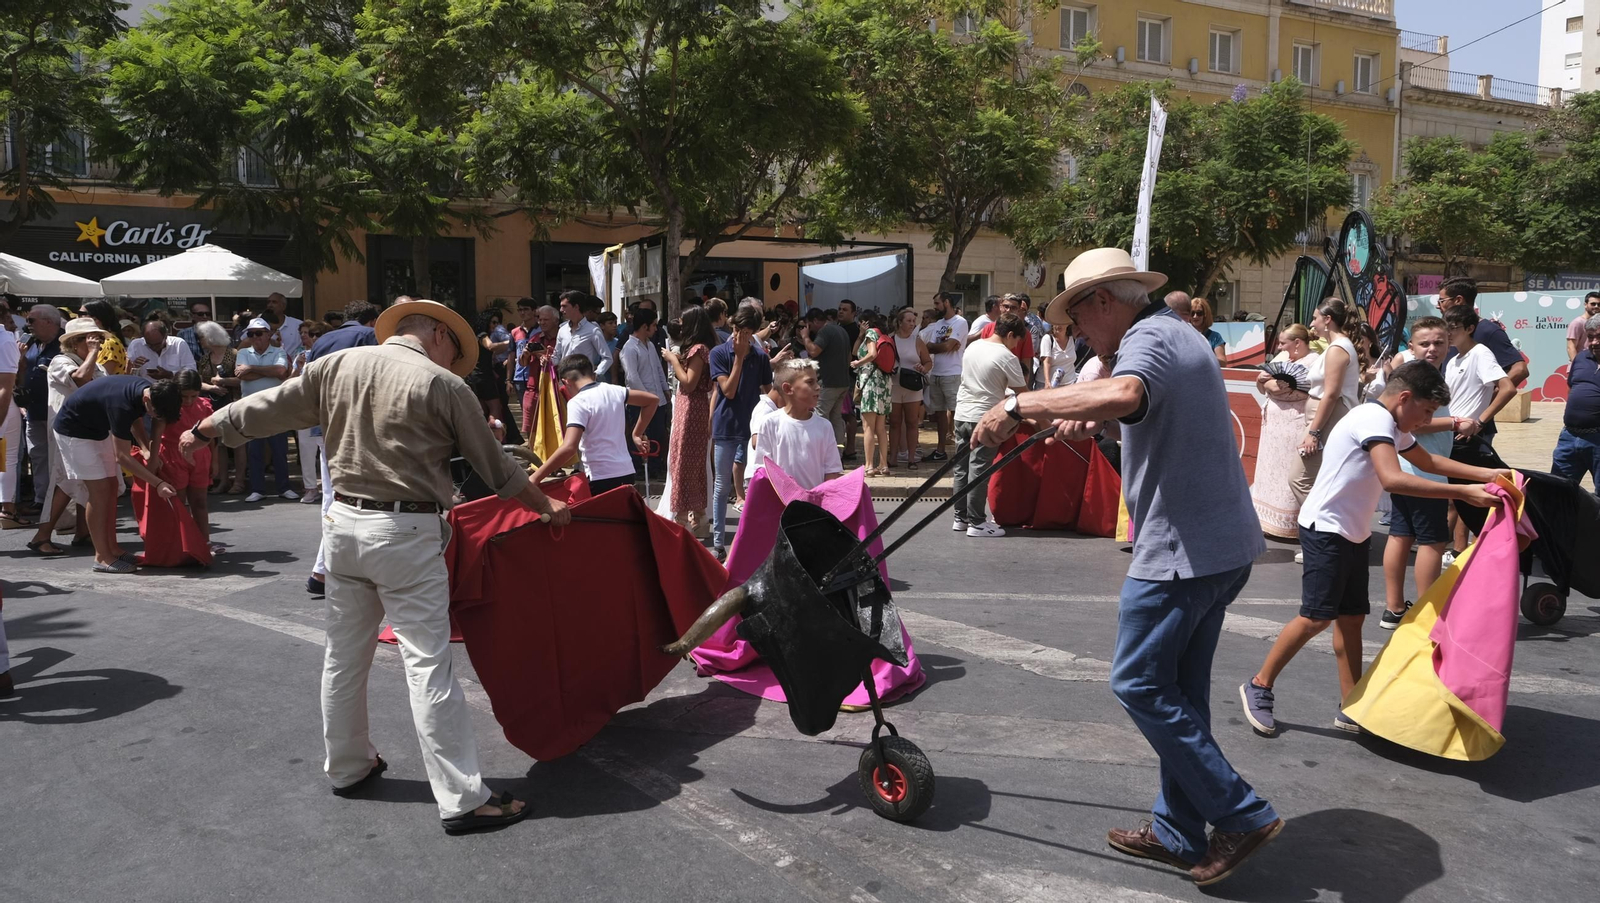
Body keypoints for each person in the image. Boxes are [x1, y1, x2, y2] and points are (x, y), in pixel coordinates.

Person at [181, 298, 568, 834]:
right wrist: (545, 505)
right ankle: (462, 799)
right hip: (406, 532)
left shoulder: (336, 365)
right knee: (427, 664)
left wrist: (207, 428)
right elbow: (497, 468)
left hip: (343, 527)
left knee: (344, 657)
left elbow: (270, 406)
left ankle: (348, 766)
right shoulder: (443, 384)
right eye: (453, 351)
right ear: (438, 334)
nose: (453, 362)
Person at [970, 247, 1280, 885]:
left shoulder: (1147, 339)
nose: (1078, 332)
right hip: (1218, 546)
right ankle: (1177, 829)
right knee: (1181, 695)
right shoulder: (1177, 333)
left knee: (1138, 683)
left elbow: (1129, 391)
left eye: (1078, 318)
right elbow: (1147, 412)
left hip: (1181, 551)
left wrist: (1023, 405)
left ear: (1105, 301)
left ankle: (1240, 812)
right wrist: (1097, 424)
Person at [1241, 361, 1505, 738]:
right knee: (1316, 618)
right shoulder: (1373, 419)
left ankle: (1351, 704)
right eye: (1427, 411)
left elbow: (1427, 461)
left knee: (1351, 619)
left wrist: (1490, 475)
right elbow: (1393, 479)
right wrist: (1464, 492)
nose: (1427, 421)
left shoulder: (1392, 424)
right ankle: (1259, 684)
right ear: (1405, 398)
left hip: (1352, 533)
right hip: (1325, 530)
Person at [53, 375, 183, 572]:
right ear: (147, 400)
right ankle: (101, 557)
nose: (157, 418)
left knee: (112, 486)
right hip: (73, 431)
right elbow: (122, 457)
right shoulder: (121, 405)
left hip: (96, 429)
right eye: (156, 413)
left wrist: (149, 452)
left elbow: (141, 419)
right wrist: (158, 483)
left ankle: (112, 548)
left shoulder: (153, 393)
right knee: (99, 491)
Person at [302, 300, 381, 597]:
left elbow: (308, 383)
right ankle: (325, 571)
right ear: (372, 321)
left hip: (325, 423)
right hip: (354, 426)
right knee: (350, 498)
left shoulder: (322, 341)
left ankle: (325, 571)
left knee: (332, 496)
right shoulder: (369, 336)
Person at [1379, 318, 1454, 630]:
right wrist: (1455, 422)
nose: (1432, 349)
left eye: (1439, 343)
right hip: (1421, 473)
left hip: (1409, 470)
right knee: (1432, 541)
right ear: (1411, 346)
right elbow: (1415, 425)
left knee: (1400, 535)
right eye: (1425, 343)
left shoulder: (1421, 376)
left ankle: (1394, 608)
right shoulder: (1415, 381)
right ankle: (1426, 614)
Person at [25, 317, 106, 554]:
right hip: (67, 433)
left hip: (89, 430)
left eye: (98, 340)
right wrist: (93, 353)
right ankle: (41, 536)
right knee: (64, 481)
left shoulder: (96, 365)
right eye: (93, 339)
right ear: (76, 342)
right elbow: (80, 379)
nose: (98, 344)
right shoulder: (61, 361)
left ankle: (83, 531)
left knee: (86, 480)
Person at [1443, 306, 1515, 560]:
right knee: (1457, 499)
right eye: (1446, 327)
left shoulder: (1481, 353)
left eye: (1453, 328)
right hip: (1449, 436)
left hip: (1466, 440)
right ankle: (1464, 551)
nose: (1448, 333)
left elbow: (1507, 388)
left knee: (1472, 500)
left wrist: (1480, 422)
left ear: (1469, 328)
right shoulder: (1453, 360)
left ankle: (1488, 551)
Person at [531, 353, 657, 497]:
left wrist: (536, 477)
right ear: (593, 375)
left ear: (566, 382)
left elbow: (569, 447)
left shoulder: (578, 402)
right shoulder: (615, 390)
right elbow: (652, 400)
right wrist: (637, 433)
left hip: (600, 477)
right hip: (626, 471)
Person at [951, 314, 1027, 537]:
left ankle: (960, 518)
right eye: (1016, 340)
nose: (1016, 346)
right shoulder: (1007, 356)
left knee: (961, 468)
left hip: (962, 414)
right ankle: (977, 523)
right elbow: (1023, 395)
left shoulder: (973, 347)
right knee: (979, 469)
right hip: (985, 418)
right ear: (1010, 334)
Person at [709, 301, 774, 558]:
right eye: (737, 330)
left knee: (754, 486)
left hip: (753, 428)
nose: (739, 337)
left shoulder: (760, 357)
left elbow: (769, 393)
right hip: (726, 425)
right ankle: (718, 543)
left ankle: (751, 542)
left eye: (746, 333)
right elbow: (728, 391)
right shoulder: (719, 353)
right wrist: (737, 356)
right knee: (722, 485)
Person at [1291, 297, 1363, 514]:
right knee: (1319, 478)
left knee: (1300, 479)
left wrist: (1314, 432)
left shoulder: (1337, 348)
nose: (1312, 324)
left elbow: (1331, 394)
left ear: (1328, 319)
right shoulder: (1337, 347)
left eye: (1315, 318)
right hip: (1324, 416)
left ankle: (1324, 524)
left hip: (1328, 417)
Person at [1250, 325, 1318, 540]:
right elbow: (1263, 386)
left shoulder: (1314, 362)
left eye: (1283, 343)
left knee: (1288, 471)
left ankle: (1291, 524)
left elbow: (1288, 391)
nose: (1279, 347)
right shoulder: (1282, 358)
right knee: (1269, 468)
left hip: (1293, 425)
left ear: (1297, 343)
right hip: (1273, 426)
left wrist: (1270, 384)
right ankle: (1266, 520)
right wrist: (1265, 382)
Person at [663, 306, 716, 537]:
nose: (680, 326)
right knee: (690, 464)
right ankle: (698, 517)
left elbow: (689, 382)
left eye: (683, 322)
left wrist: (673, 360)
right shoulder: (700, 348)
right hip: (691, 407)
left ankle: (683, 520)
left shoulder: (698, 349)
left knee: (684, 464)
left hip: (691, 408)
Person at [750, 359, 842, 490]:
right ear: (788, 388)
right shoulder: (770, 423)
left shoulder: (824, 426)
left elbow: (832, 471)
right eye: (810, 382)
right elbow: (763, 470)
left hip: (815, 500)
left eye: (817, 381)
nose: (817, 387)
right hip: (780, 500)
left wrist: (823, 498)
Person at [236, 317, 297, 503]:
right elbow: (241, 375)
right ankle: (257, 489)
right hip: (251, 408)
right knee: (255, 450)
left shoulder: (279, 351)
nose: (255, 337)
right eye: (251, 334)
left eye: (259, 333)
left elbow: (280, 372)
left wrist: (251, 368)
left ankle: (284, 487)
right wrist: (267, 371)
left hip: (275, 407)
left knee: (279, 450)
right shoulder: (243, 352)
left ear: (268, 334)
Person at [194, 321, 246, 493]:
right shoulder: (204, 359)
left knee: (237, 442)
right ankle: (223, 481)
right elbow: (198, 382)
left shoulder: (235, 354)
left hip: (234, 402)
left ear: (211, 337)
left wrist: (223, 381)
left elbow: (244, 379)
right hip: (213, 403)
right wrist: (212, 388)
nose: (200, 340)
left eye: (202, 337)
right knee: (220, 444)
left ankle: (239, 482)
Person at [22, 304, 64, 511]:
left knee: (58, 457)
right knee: (37, 456)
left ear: (49, 322)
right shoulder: (31, 343)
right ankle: (41, 499)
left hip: (57, 412)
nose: (27, 325)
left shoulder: (65, 344)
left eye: (31, 320)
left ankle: (58, 502)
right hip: (33, 410)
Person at [620, 307, 670, 479]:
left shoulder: (650, 345)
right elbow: (632, 377)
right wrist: (646, 399)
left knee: (657, 434)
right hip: (639, 402)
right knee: (639, 434)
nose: (656, 329)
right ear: (644, 326)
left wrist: (665, 389)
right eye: (653, 325)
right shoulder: (629, 348)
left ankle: (655, 468)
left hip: (658, 400)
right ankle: (638, 470)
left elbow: (658, 369)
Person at [920, 292, 969, 462]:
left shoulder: (960, 322)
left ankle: (961, 451)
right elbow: (929, 347)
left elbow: (947, 346)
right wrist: (945, 346)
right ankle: (940, 450)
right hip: (937, 373)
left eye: (937, 303)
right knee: (939, 414)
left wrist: (942, 346)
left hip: (953, 373)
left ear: (947, 302)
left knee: (958, 412)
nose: (935, 307)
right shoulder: (939, 323)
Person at [1553, 316, 1600, 488]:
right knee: (1558, 491)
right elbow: (1571, 387)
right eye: (1590, 337)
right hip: (1569, 437)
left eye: (1599, 337)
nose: (1594, 342)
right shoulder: (1580, 358)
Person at [290, 323, 332, 505]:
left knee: (327, 450)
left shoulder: (331, 353)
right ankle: (310, 488)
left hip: (324, 409)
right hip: (305, 408)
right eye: (307, 333)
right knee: (306, 449)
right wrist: (298, 367)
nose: (310, 337)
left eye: (315, 334)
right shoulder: (300, 355)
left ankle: (331, 489)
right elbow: (290, 383)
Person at [799, 307, 852, 448]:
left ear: (816, 321)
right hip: (842, 382)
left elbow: (813, 351)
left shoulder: (825, 331)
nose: (809, 329)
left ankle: (820, 452)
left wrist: (805, 336)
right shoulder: (841, 330)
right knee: (836, 418)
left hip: (829, 383)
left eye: (809, 325)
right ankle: (837, 453)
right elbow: (849, 358)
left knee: (820, 417)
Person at [888, 308, 931, 470]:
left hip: (913, 386)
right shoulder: (890, 340)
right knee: (894, 422)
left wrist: (923, 368)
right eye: (909, 321)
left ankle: (911, 458)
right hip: (894, 385)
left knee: (912, 422)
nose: (913, 324)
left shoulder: (917, 341)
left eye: (914, 321)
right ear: (900, 323)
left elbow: (928, 362)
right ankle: (893, 457)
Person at [850, 311, 892, 476]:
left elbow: (872, 354)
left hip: (871, 384)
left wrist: (858, 363)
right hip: (884, 384)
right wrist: (860, 335)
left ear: (865, 322)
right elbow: (855, 350)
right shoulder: (881, 334)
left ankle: (869, 465)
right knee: (881, 427)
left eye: (860, 322)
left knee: (868, 427)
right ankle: (883, 465)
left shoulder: (871, 333)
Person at [0, 312, 25, 529]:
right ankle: (7, 510)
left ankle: (7, 510)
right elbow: (6, 386)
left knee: (6, 458)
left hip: (6, 406)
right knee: (7, 459)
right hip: (4, 406)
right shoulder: (6, 340)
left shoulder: (6, 340)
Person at [978, 294, 1036, 386]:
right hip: (990, 379)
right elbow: (981, 355)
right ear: (1000, 307)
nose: (1008, 310)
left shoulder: (1025, 333)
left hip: (1013, 381)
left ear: (1018, 310)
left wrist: (1024, 386)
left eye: (1013, 308)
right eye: (1006, 306)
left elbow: (1026, 362)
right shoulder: (988, 328)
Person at [555, 290, 613, 378]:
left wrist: (596, 374)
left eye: (564, 306)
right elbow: (556, 357)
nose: (561, 310)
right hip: (565, 380)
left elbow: (607, 358)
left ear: (576, 307)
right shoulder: (562, 330)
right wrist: (546, 359)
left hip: (584, 380)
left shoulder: (593, 331)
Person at [82, 299, 128, 376]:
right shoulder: (103, 341)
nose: (77, 318)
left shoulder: (108, 343)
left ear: (96, 319)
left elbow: (102, 376)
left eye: (81, 314)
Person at [1036, 318, 1078, 390]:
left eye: (1061, 322)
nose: (1058, 325)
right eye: (1055, 322)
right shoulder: (1048, 339)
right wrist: (1047, 381)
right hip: (1049, 385)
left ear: (1068, 324)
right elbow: (1047, 362)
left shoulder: (1072, 339)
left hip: (1069, 384)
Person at [1187, 297, 1228, 366]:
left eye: (1199, 313)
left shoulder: (1215, 337)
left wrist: (1205, 359)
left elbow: (1223, 362)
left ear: (1205, 315)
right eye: (1192, 313)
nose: (1195, 316)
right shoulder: (1183, 335)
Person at [264, 292, 303, 358]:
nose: (270, 305)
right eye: (268, 302)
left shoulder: (298, 325)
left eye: (274, 302)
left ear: (283, 306)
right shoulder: (259, 326)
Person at [1569, 292, 1600, 362]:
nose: (1596, 306)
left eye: (1599, 304)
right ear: (1585, 305)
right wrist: (1578, 364)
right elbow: (1571, 347)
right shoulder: (1577, 322)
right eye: (1593, 304)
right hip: (1583, 363)